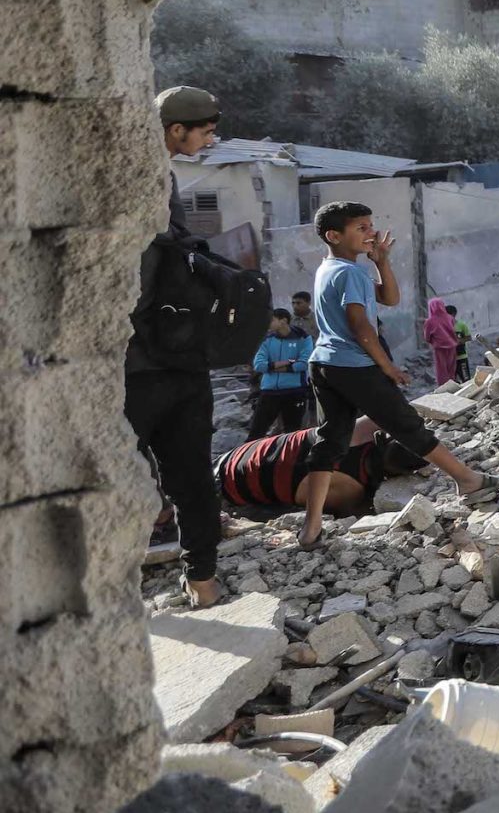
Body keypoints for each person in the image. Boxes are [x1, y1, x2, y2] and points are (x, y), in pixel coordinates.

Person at [304, 200, 493, 548]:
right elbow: (360, 325)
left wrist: (383, 263)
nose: (372, 232)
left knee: (330, 440)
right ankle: (467, 479)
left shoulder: (330, 268)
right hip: (355, 365)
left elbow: (388, 298)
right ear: (334, 235)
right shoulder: (350, 273)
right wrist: (386, 365)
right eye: (361, 228)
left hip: (324, 364)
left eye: (371, 225)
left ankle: (311, 525)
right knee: (406, 424)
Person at [128, 86, 227, 608]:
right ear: (175, 130)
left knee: (175, 472)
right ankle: (202, 581)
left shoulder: (152, 174)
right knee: (188, 473)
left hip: (149, 358)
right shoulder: (148, 178)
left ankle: (194, 578)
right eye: (205, 132)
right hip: (162, 356)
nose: (211, 140)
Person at [218, 418, 403, 517]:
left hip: (233, 457)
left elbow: (399, 412)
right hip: (228, 490)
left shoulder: (362, 428)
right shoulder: (351, 491)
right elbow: (356, 515)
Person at [247, 307, 314, 438]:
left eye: (271, 320)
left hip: (294, 392)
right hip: (269, 392)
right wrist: (288, 362)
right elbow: (259, 365)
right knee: (255, 433)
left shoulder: (303, 338)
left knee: (293, 434)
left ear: (283, 321)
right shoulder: (267, 340)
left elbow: (304, 363)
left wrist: (271, 367)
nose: (268, 323)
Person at [423, 297, 461, 385]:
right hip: (452, 345)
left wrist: (432, 341)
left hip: (439, 348)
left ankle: (444, 387)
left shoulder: (429, 321)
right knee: (451, 367)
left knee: (441, 369)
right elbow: (453, 330)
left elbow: (427, 337)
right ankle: (452, 385)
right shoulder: (449, 318)